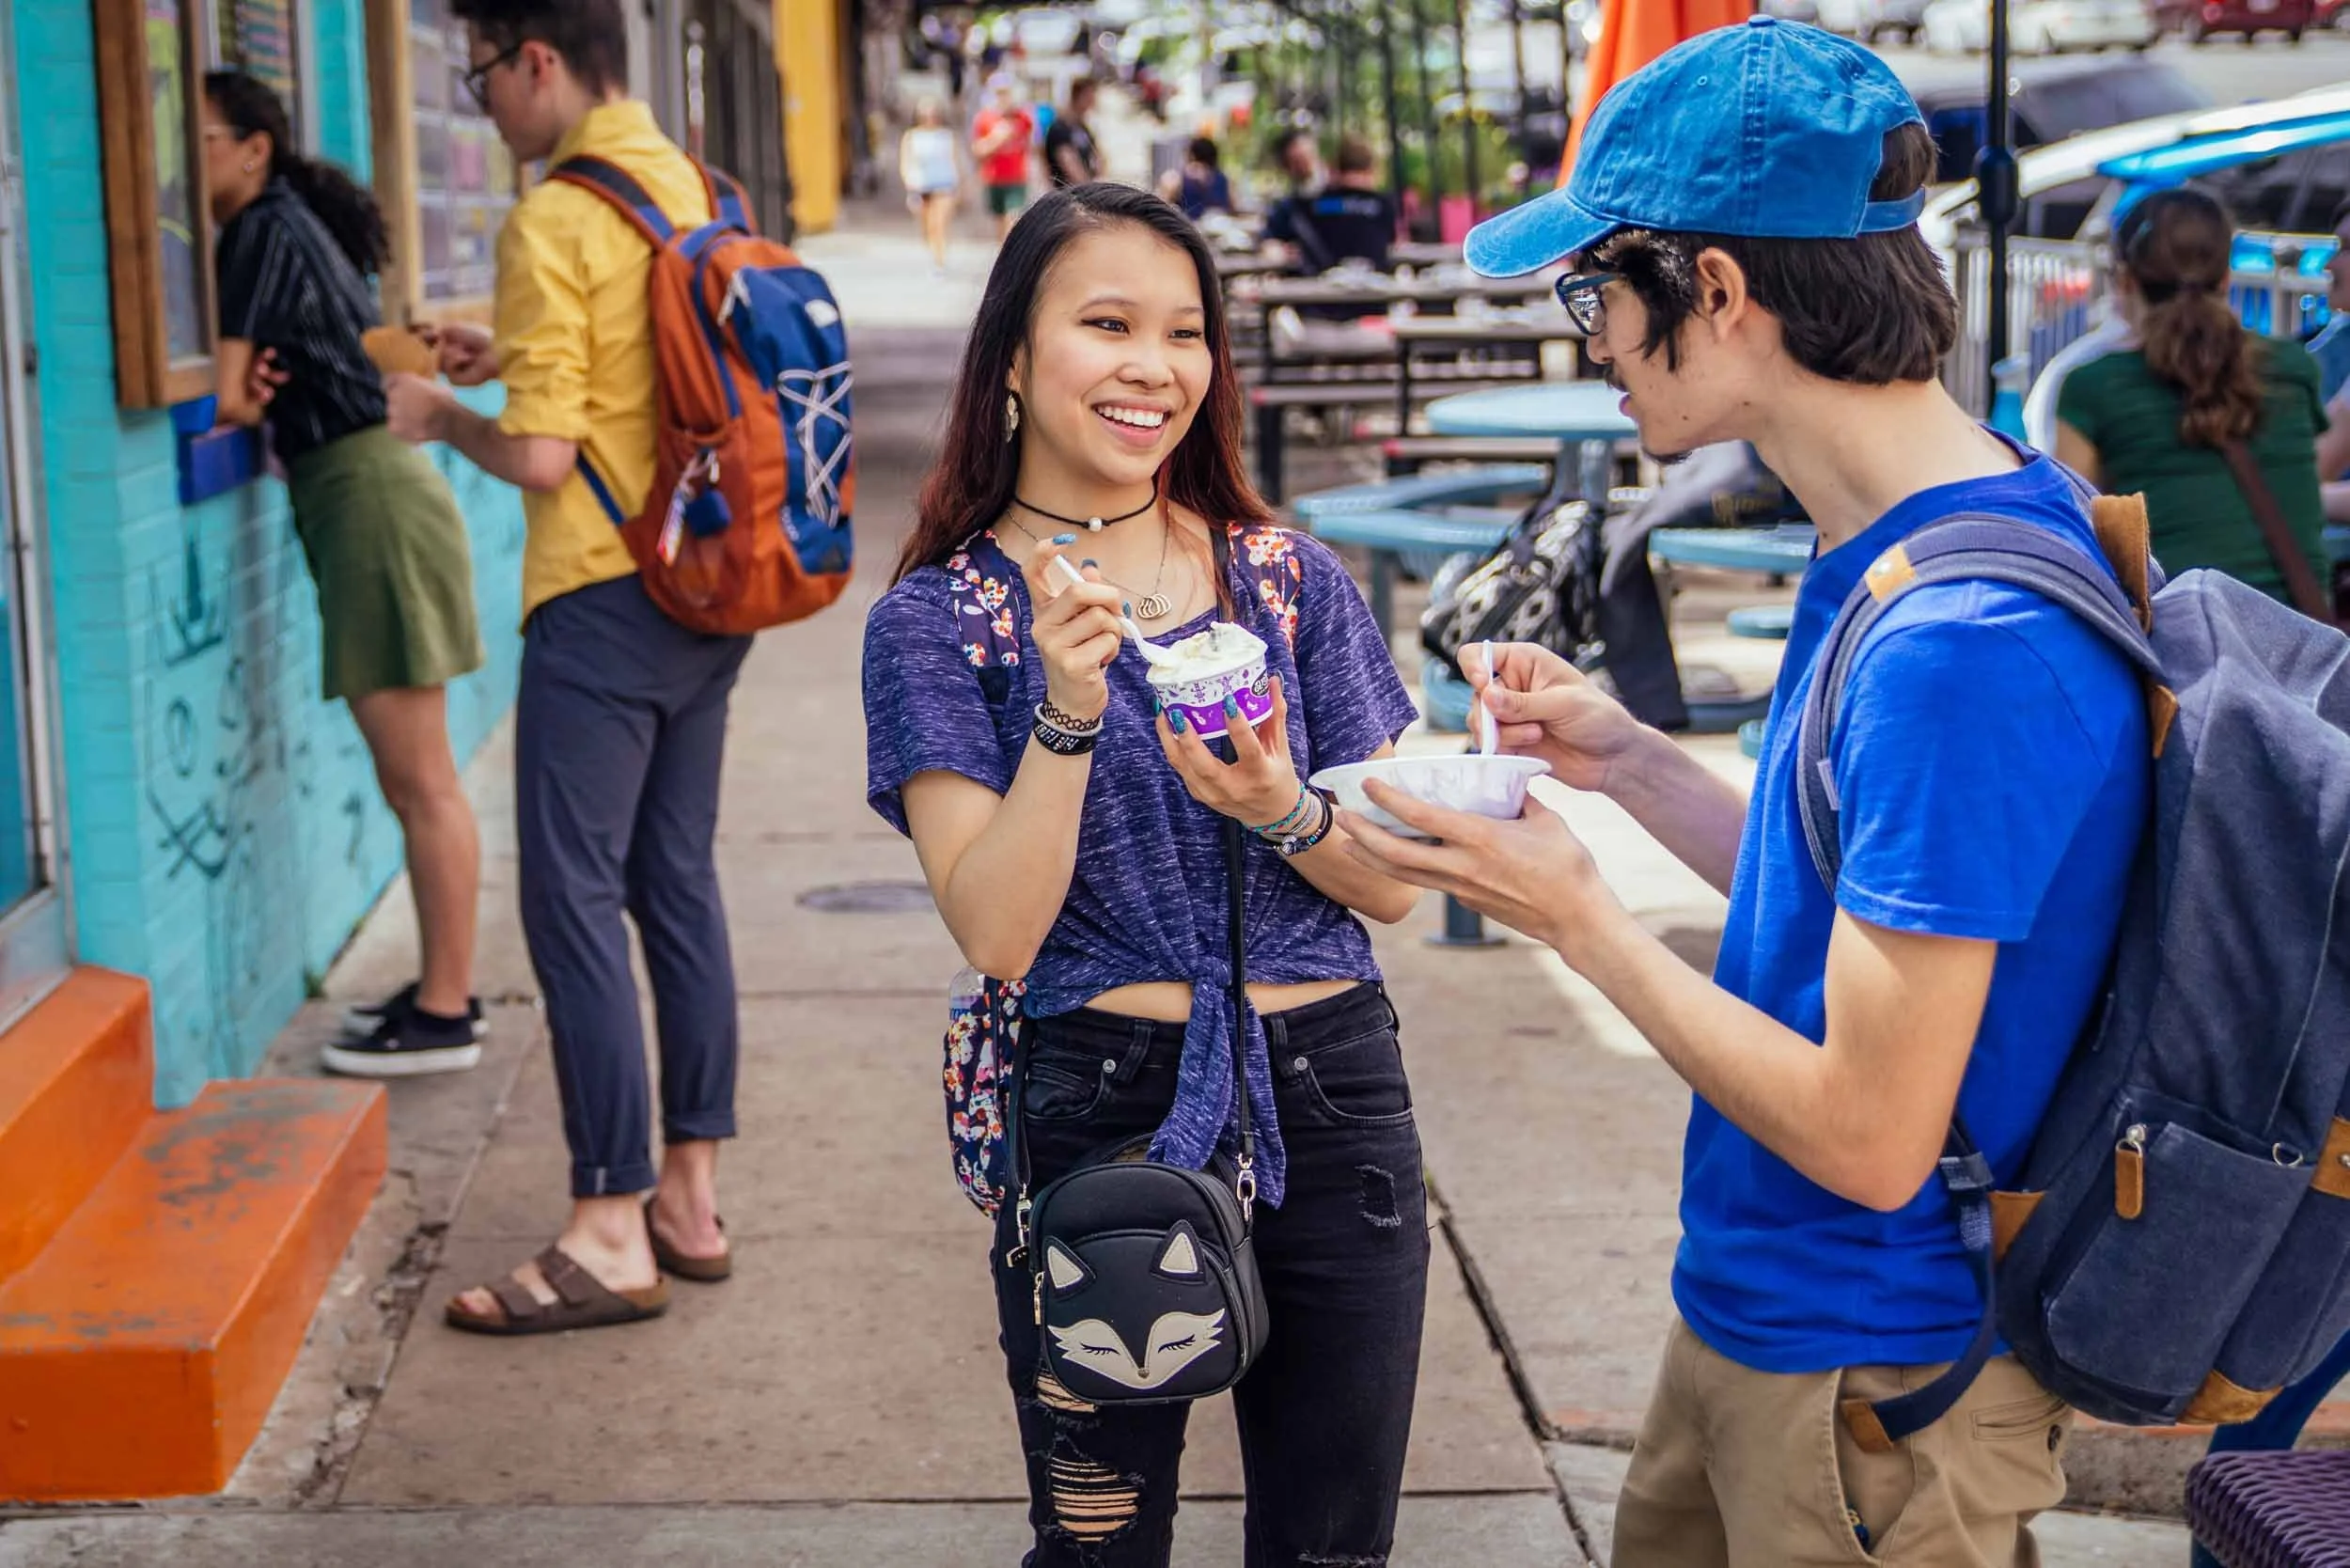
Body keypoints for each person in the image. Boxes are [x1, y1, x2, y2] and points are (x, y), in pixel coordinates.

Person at [1352, 21, 2150, 1565]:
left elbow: (1869, 1130)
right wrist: (1631, 762)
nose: (1586, 335)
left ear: (1715, 291)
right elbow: (1859, 907)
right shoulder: (1930, 519)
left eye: (1597, 290)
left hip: (1872, 1385)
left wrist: (1580, 919)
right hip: (1771, 1320)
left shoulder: (1957, 644)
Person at [863, 182, 1430, 1567]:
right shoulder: (943, 621)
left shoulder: (1290, 582)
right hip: (1098, 1112)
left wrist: (1279, 806)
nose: (1153, 367)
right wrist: (1064, 708)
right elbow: (999, 932)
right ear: (1011, 355)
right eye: (1106, 323)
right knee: (1099, 1548)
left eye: (1184, 333)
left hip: (1336, 1102)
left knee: (1333, 1548)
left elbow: (1397, 885)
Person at [382, 0, 750, 1335]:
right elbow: (627, 382)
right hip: (712, 586)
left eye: (478, 71)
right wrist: (514, 368)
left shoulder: (552, 217)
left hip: (600, 596)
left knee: (574, 904)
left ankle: (606, 1227)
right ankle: (689, 1201)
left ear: (538, 60)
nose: (476, 99)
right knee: (677, 883)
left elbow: (541, 458)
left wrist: (441, 413)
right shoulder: (693, 182)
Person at [200, 71, 490, 1078]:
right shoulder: (282, 225)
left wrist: (249, 390)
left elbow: (231, 399)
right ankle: (442, 992)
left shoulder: (253, 233)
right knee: (419, 779)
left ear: (252, 149)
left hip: (369, 501)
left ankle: (447, 1009)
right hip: (372, 496)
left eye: (195, 138)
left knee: (421, 782)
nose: (181, 160)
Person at [2055, 189, 2328, 606]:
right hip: (2302, 651)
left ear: (2125, 281)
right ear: (2225, 279)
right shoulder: (2292, 367)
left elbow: (2073, 534)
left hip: (2173, 656)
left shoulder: (2092, 387)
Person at [1263, 133, 1396, 276]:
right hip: (1375, 290)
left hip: (1321, 290)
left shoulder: (1311, 205)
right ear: (1372, 169)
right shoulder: (1384, 205)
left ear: (1335, 168)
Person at [901, 97, 962, 274]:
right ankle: (935, 254)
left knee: (939, 223)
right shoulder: (911, 136)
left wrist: (959, 187)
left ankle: (940, 261)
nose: (929, 118)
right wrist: (909, 187)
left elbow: (954, 161)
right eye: (925, 115)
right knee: (927, 227)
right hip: (921, 186)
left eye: (933, 114)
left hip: (944, 185)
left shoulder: (946, 136)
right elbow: (906, 162)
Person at [971, 75, 1035, 241]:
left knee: (1012, 220)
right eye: (999, 93)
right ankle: (1003, 257)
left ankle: (1011, 257)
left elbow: (1032, 146)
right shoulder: (985, 118)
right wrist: (997, 139)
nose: (1004, 97)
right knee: (999, 223)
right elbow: (977, 150)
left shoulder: (1023, 118)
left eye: (1006, 93)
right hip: (994, 178)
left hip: (1016, 178)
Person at [1156, 134, 1232, 222]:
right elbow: (1231, 205)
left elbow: (1163, 205)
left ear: (1192, 155)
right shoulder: (1222, 178)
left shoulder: (1177, 177)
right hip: (1219, 224)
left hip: (1189, 226)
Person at [1042, 77, 1101, 189]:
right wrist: (1088, 188)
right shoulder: (1060, 128)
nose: (1093, 101)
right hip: (1068, 193)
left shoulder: (1082, 126)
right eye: (1090, 96)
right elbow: (1068, 163)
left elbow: (1097, 156)